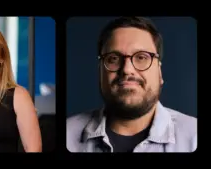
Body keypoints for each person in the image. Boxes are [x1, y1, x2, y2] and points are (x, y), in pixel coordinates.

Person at [66, 17, 197, 153]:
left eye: (141, 57)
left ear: (159, 73)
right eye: (114, 58)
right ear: (100, 71)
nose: (127, 69)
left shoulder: (194, 137)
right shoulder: (67, 136)